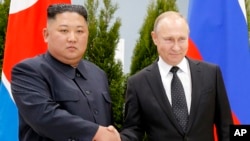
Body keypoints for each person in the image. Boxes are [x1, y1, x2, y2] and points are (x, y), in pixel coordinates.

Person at [11, 4, 120, 141]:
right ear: (46, 35)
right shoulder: (28, 71)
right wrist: (96, 133)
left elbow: (107, 122)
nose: (72, 38)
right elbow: (44, 117)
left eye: (80, 31)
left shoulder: (98, 74)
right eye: (64, 31)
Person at [120, 11, 233, 141]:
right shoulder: (138, 83)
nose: (176, 47)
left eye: (182, 39)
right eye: (169, 39)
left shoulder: (212, 74)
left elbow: (226, 127)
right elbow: (133, 130)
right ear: (155, 38)